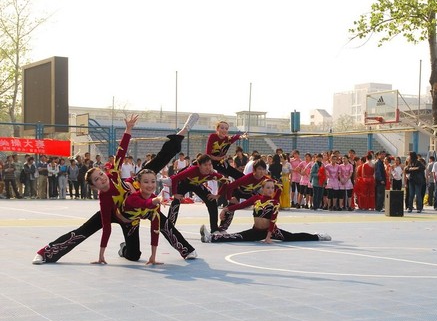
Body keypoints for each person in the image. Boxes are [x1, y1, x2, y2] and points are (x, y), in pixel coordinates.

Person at [32, 113, 200, 264]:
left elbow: (121, 152)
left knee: (157, 168)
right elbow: (106, 227)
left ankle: (186, 250)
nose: (102, 179)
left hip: (136, 197)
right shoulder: (104, 200)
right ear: (94, 186)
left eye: (101, 174)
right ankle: (45, 253)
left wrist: (128, 130)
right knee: (95, 237)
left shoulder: (113, 174)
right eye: (97, 180)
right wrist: (101, 255)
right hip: (119, 215)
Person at [199, 179, 331, 243]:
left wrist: (268, 237)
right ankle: (210, 238)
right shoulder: (256, 198)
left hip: (271, 231)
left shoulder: (274, 203)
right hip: (256, 231)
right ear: (262, 189)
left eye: (272, 188)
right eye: (267, 187)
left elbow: (273, 220)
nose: (270, 190)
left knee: (292, 237)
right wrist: (227, 209)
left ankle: (317, 236)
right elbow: (241, 205)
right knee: (236, 237)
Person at [167, 154, 229, 234]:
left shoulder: (211, 174)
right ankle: (169, 226)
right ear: (199, 165)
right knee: (176, 201)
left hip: (197, 185)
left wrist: (217, 195)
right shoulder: (192, 170)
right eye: (205, 165)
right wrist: (175, 193)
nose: (208, 167)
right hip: (184, 184)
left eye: (210, 164)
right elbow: (175, 179)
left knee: (211, 200)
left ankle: (214, 229)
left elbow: (226, 181)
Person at [217, 159, 270, 232]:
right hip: (238, 192)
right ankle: (222, 227)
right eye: (259, 169)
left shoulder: (265, 179)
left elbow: (276, 185)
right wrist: (229, 198)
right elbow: (230, 186)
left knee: (262, 205)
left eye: (263, 169)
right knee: (231, 207)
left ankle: (259, 227)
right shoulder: (247, 178)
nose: (262, 172)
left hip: (250, 193)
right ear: (254, 170)